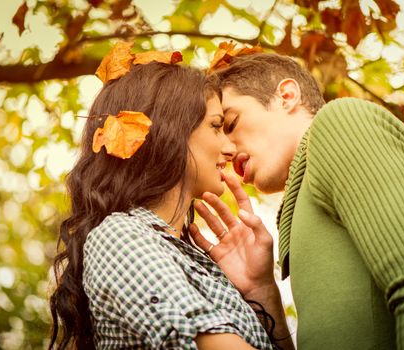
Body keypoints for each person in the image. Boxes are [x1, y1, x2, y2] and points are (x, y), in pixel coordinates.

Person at [190, 52, 404, 349]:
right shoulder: (306, 190)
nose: (224, 147)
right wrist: (262, 292)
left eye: (232, 123)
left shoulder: (340, 123)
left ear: (286, 96)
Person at [48, 44, 290, 349]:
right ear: (169, 131)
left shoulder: (186, 258)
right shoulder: (120, 237)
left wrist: (260, 290)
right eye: (216, 126)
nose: (230, 149)